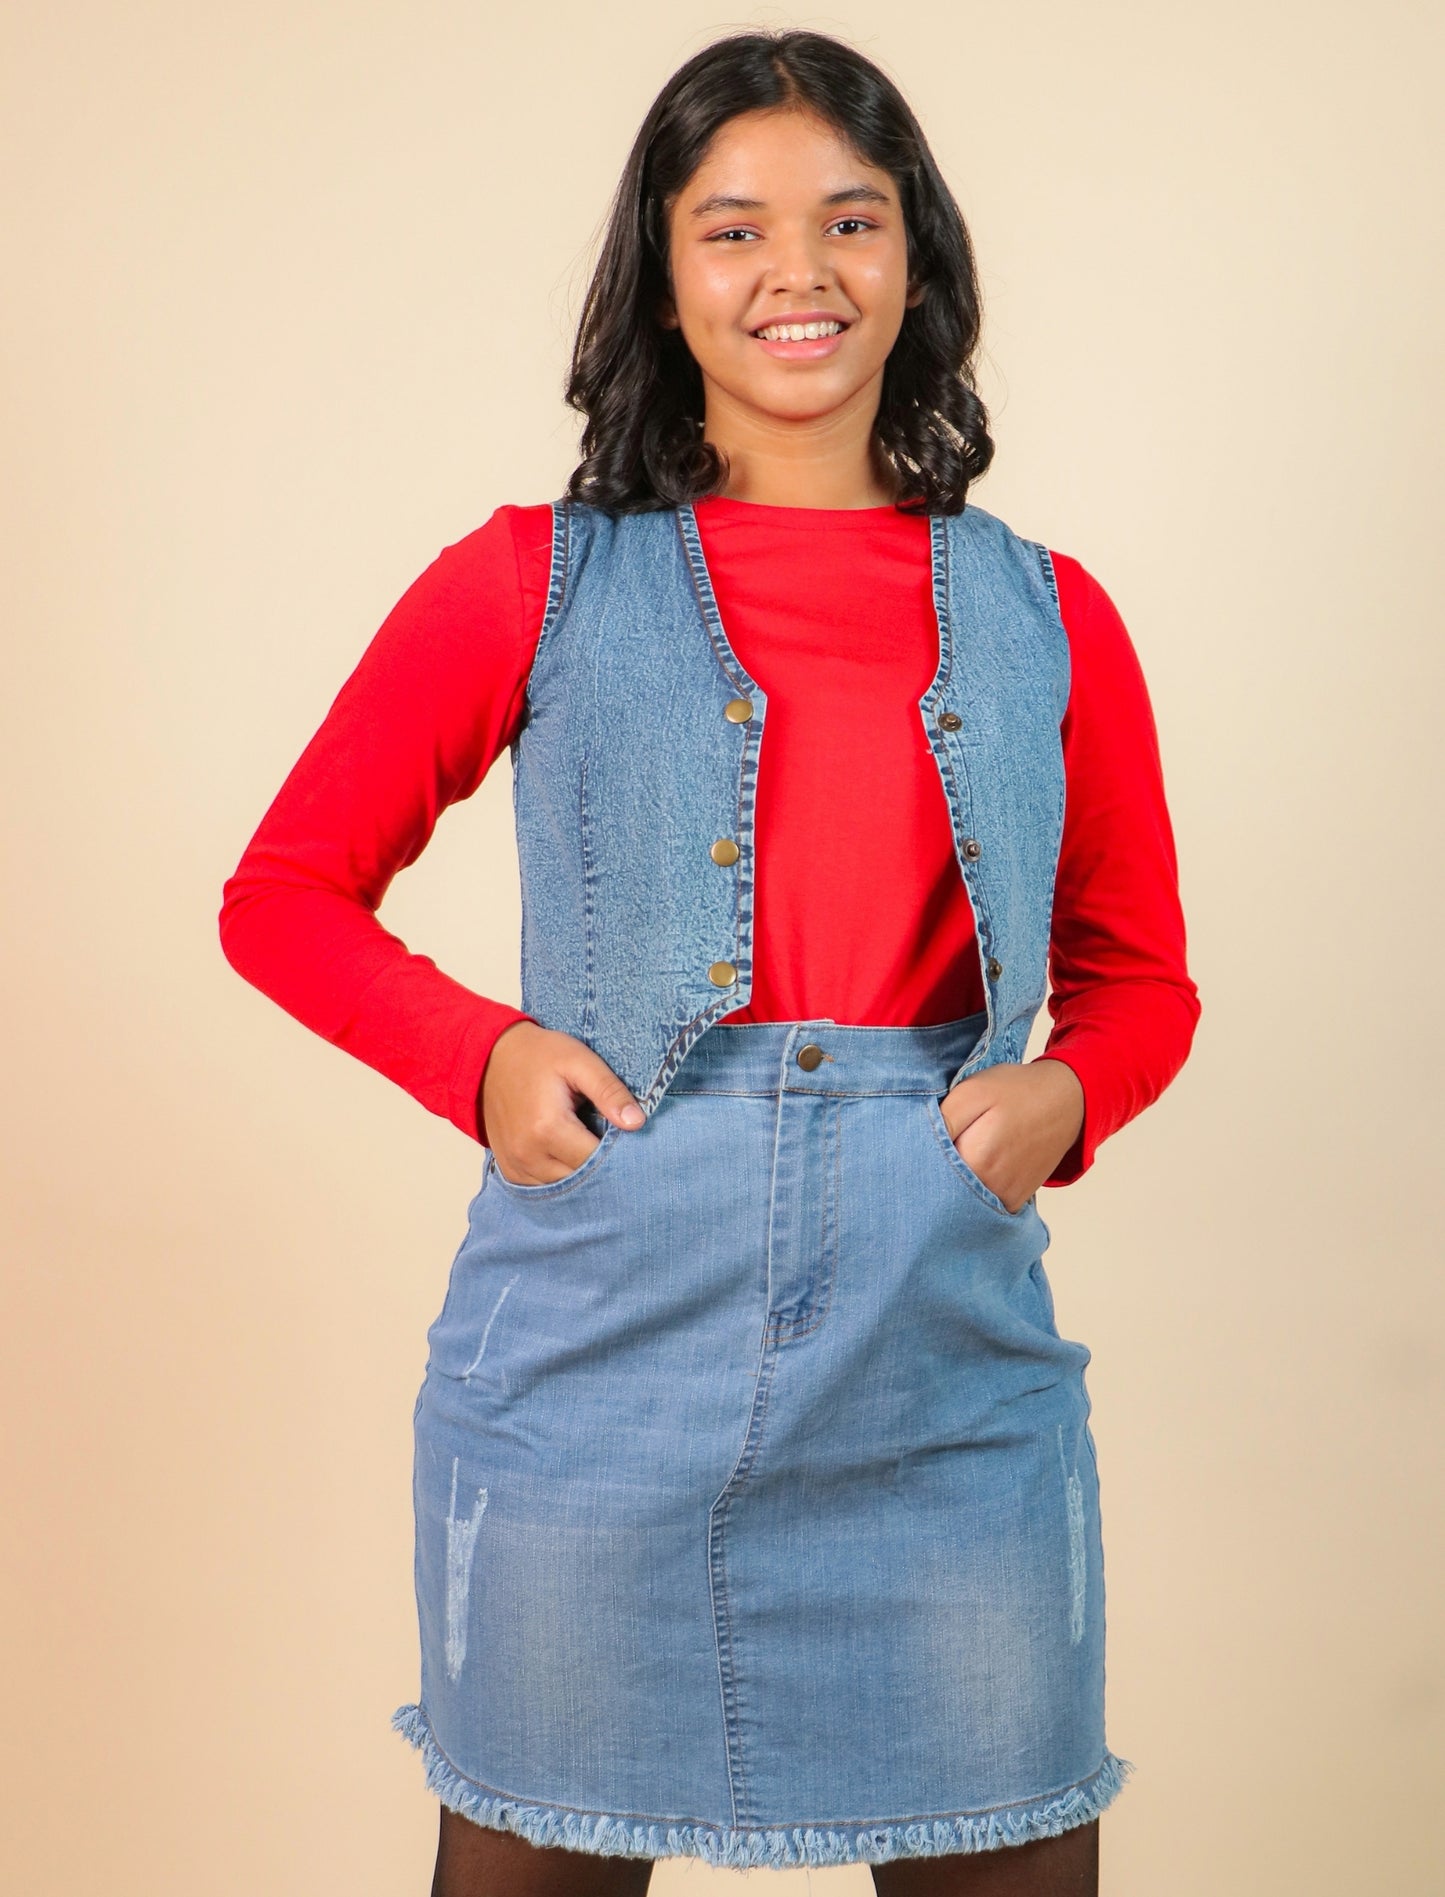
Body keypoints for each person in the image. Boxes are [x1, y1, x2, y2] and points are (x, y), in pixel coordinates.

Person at [218, 27, 1200, 1896]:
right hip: (592, 1362)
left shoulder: (1044, 609)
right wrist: (483, 1056)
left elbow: (1139, 976)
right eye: (731, 229)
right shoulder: (528, 578)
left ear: (916, 261)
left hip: (944, 1374)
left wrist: (1063, 1097)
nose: (796, 275)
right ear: (661, 279)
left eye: (849, 219)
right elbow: (283, 892)